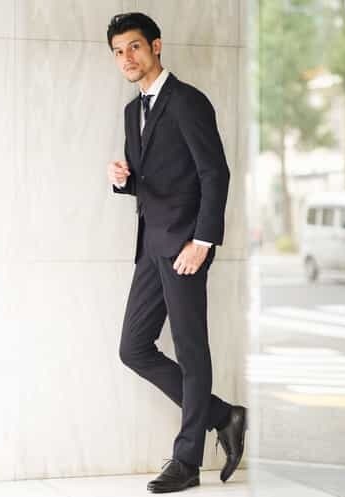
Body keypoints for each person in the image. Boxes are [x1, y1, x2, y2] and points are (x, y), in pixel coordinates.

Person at [106, 12, 248, 494]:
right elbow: (153, 179)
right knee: (133, 348)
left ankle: (187, 461)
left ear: (156, 46)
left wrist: (202, 242)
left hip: (186, 245)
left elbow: (214, 173)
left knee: (190, 349)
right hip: (151, 244)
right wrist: (122, 181)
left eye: (134, 46)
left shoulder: (187, 101)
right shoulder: (133, 112)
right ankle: (223, 416)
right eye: (118, 51)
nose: (127, 58)